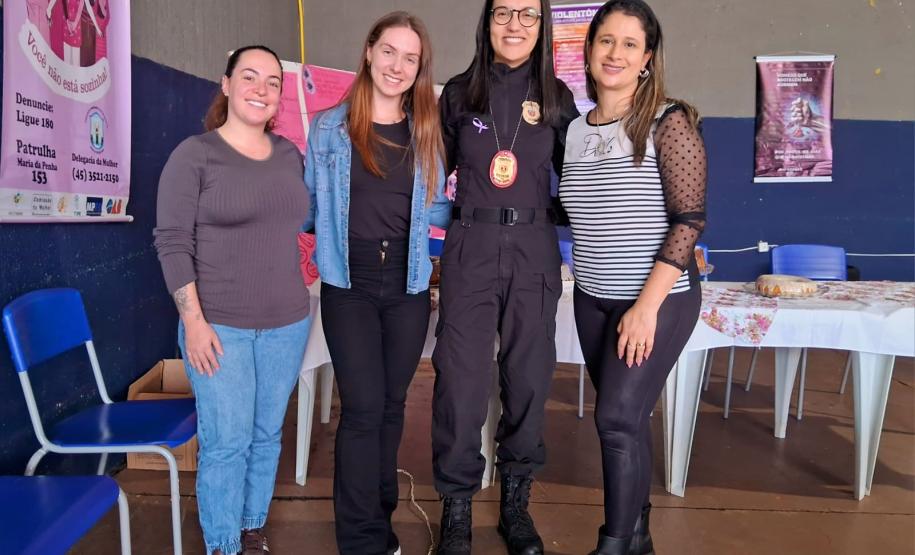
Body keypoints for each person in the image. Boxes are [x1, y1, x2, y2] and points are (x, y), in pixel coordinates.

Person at [557, 1, 706, 553]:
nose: (615, 53)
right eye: (605, 41)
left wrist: (645, 308)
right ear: (589, 50)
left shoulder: (669, 122)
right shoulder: (573, 131)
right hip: (592, 298)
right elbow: (573, 209)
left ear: (647, 58)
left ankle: (614, 543)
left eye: (629, 44)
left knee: (616, 419)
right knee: (630, 420)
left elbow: (689, 221)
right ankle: (638, 534)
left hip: (655, 301)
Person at [431, 1, 579, 554]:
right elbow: (427, 179)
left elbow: (581, 182)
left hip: (535, 251)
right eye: (503, 13)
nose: (514, 25)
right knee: (460, 383)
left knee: (529, 380)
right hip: (470, 246)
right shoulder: (456, 94)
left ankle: (516, 507)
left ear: (542, 26)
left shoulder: (559, 98)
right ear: (486, 21)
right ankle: (457, 508)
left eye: (527, 14)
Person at [154, 45, 312, 555]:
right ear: (226, 84)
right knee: (226, 444)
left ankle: (250, 530)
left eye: (272, 82)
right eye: (249, 77)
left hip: (287, 323)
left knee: (267, 436)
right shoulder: (194, 155)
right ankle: (223, 545)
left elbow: (308, 221)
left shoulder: (291, 155)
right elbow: (173, 242)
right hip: (219, 327)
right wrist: (194, 324)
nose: (261, 89)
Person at [302, 12, 450, 555]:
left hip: (409, 283)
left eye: (410, 58)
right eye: (389, 51)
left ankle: (380, 515)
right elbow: (308, 208)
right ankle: (360, 541)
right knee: (362, 410)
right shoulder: (329, 127)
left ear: (419, 68)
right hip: (350, 281)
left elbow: (437, 208)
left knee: (391, 406)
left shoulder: (427, 131)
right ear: (368, 51)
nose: (397, 66)